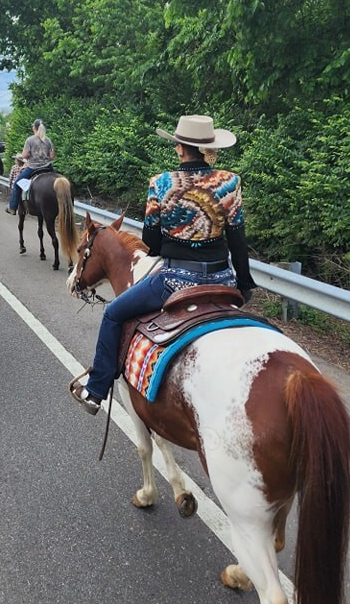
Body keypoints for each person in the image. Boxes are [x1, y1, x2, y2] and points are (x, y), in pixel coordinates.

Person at [69, 114, 257, 414]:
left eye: (177, 145)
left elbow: (152, 244)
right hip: (222, 279)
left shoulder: (161, 183)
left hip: (174, 280)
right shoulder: (229, 182)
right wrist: (244, 283)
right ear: (207, 147)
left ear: (181, 148)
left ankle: (96, 391)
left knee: (114, 314)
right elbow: (237, 240)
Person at [5, 118, 55, 214]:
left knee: (17, 184)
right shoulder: (48, 140)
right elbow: (52, 156)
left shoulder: (30, 140)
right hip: (48, 167)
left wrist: (30, 156)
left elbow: (24, 155)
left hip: (33, 168)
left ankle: (12, 207)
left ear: (34, 128)